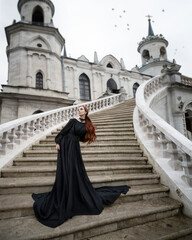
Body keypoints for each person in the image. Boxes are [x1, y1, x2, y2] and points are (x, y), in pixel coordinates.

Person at [32, 106, 130, 228]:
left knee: (74, 170)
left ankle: (73, 191)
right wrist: (57, 142)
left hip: (74, 148)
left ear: (86, 111)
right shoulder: (73, 121)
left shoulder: (87, 125)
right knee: (66, 169)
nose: (79, 111)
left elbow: (83, 139)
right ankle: (66, 191)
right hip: (65, 145)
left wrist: (91, 131)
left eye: (81, 109)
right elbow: (63, 132)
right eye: (78, 109)